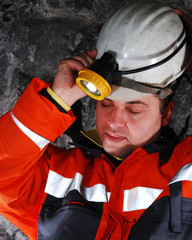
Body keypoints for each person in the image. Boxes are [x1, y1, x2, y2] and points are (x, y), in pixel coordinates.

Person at [0, 0, 192, 239]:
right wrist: (55, 101)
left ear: (165, 113)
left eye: (133, 109)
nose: (113, 120)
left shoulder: (185, 171)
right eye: (106, 103)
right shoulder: (61, 177)